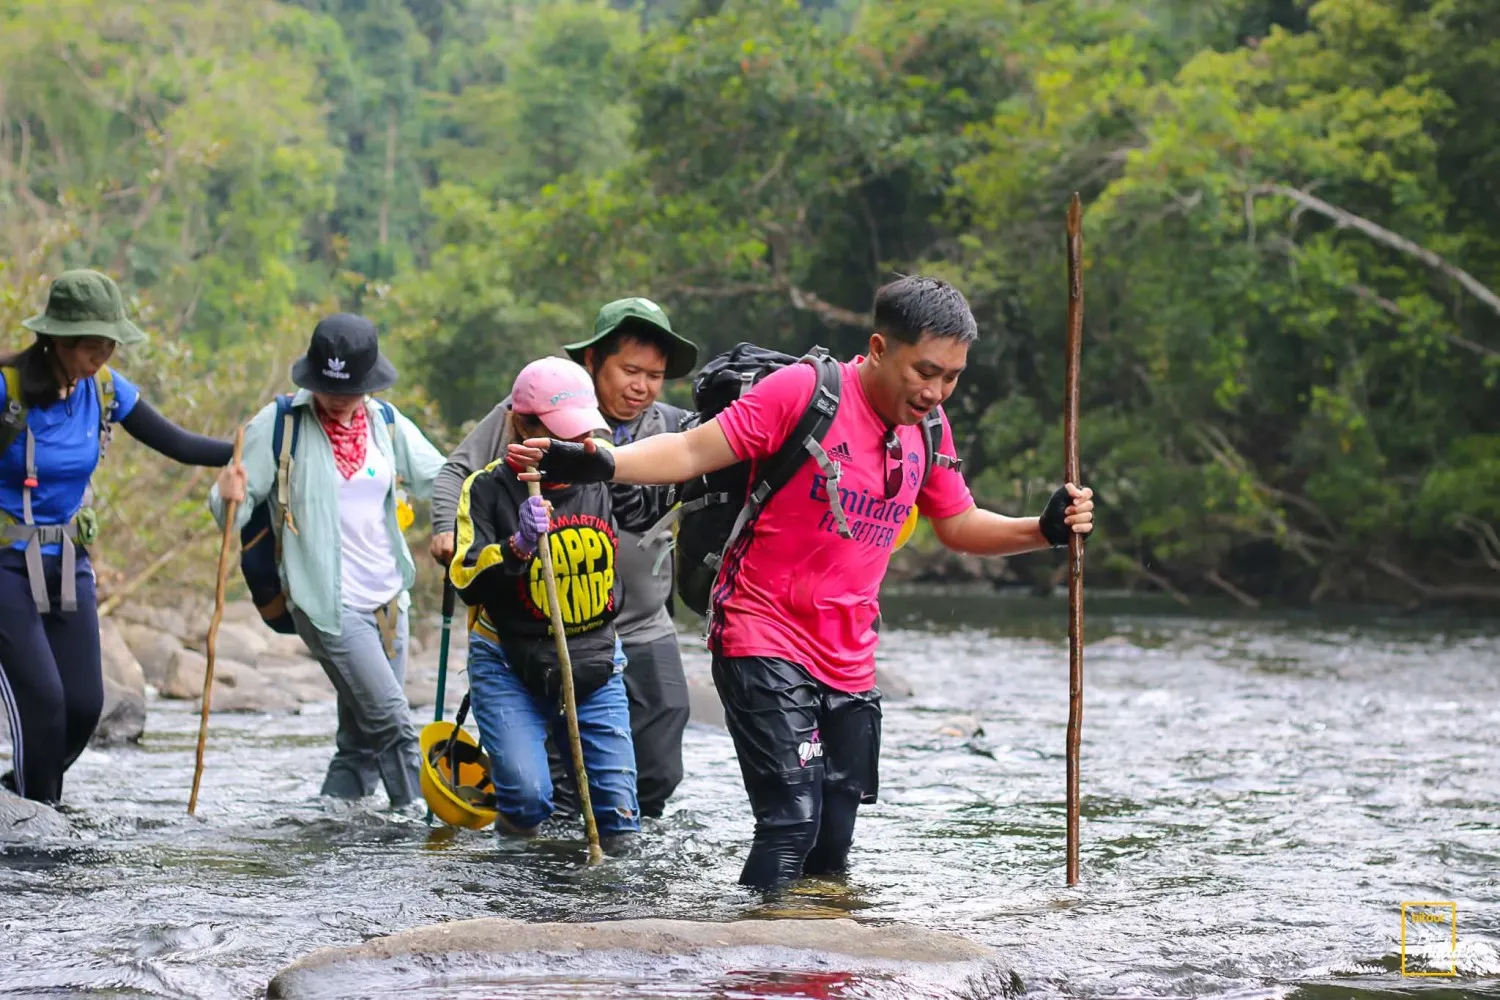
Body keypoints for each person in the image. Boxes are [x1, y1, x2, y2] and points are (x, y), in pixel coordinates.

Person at [508, 275, 1097, 888]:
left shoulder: (929, 429)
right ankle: (759, 964)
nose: (935, 391)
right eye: (925, 371)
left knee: (832, 842)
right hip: (760, 633)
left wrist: (1045, 528)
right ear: (878, 347)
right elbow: (689, 452)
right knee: (790, 821)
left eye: (951, 376)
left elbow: (959, 523)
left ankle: (815, 969)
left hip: (849, 656)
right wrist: (598, 459)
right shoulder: (805, 393)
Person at [430, 296, 698, 818]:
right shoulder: (530, 412)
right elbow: (456, 472)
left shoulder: (674, 429)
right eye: (630, 370)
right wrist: (447, 529)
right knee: (554, 782)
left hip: (640, 622)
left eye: (655, 375)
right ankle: (559, 879)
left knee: (660, 761)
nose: (641, 386)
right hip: (546, 626)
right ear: (593, 362)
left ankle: (625, 858)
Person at [1, 269, 236, 804]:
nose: (103, 355)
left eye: (110, 343)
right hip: (4, 563)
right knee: (42, 701)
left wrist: (253, 442)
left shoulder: (104, 390)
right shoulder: (7, 390)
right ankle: (39, 822)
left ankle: (22, 800)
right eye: (92, 345)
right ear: (57, 339)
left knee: (84, 705)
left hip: (67, 560)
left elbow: (177, 443)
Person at [212, 314, 444, 810]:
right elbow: (234, 506)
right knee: (394, 723)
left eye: (352, 388)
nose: (339, 398)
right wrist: (225, 494)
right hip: (325, 604)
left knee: (360, 744)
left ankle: (331, 837)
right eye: (328, 386)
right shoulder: (278, 424)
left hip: (390, 600)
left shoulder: (385, 423)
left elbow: (441, 478)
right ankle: (428, 838)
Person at [448, 356, 664, 846]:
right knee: (527, 799)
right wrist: (516, 548)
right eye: (557, 434)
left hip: (594, 658)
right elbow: (464, 577)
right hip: (508, 660)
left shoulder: (601, 474)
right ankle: (514, 895)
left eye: (580, 434)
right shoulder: (485, 489)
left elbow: (661, 499)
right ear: (519, 424)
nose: (573, 447)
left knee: (618, 816)